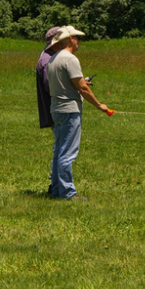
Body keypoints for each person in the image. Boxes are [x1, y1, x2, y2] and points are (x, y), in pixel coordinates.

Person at [47, 25, 111, 200]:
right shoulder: (70, 59)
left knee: (59, 151)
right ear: (69, 40)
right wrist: (99, 105)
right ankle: (68, 193)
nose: (79, 41)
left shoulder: (53, 59)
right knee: (67, 153)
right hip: (69, 111)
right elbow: (82, 88)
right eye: (76, 37)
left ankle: (57, 191)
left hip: (57, 109)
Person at [36, 26, 63, 130]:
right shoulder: (48, 60)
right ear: (57, 42)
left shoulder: (50, 57)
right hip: (58, 111)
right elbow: (51, 85)